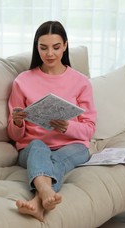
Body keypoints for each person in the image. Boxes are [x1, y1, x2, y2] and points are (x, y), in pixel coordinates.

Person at [7, 20, 97, 222]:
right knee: (39, 146)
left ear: (65, 46)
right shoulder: (22, 81)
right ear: (36, 48)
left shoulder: (80, 81)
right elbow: (13, 135)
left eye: (56, 47)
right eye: (43, 48)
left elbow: (89, 129)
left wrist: (68, 126)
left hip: (73, 146)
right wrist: (18, 123)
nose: (50, 54)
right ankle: (44, 195)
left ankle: (38, 201)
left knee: (57, 160)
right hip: (32, 148)